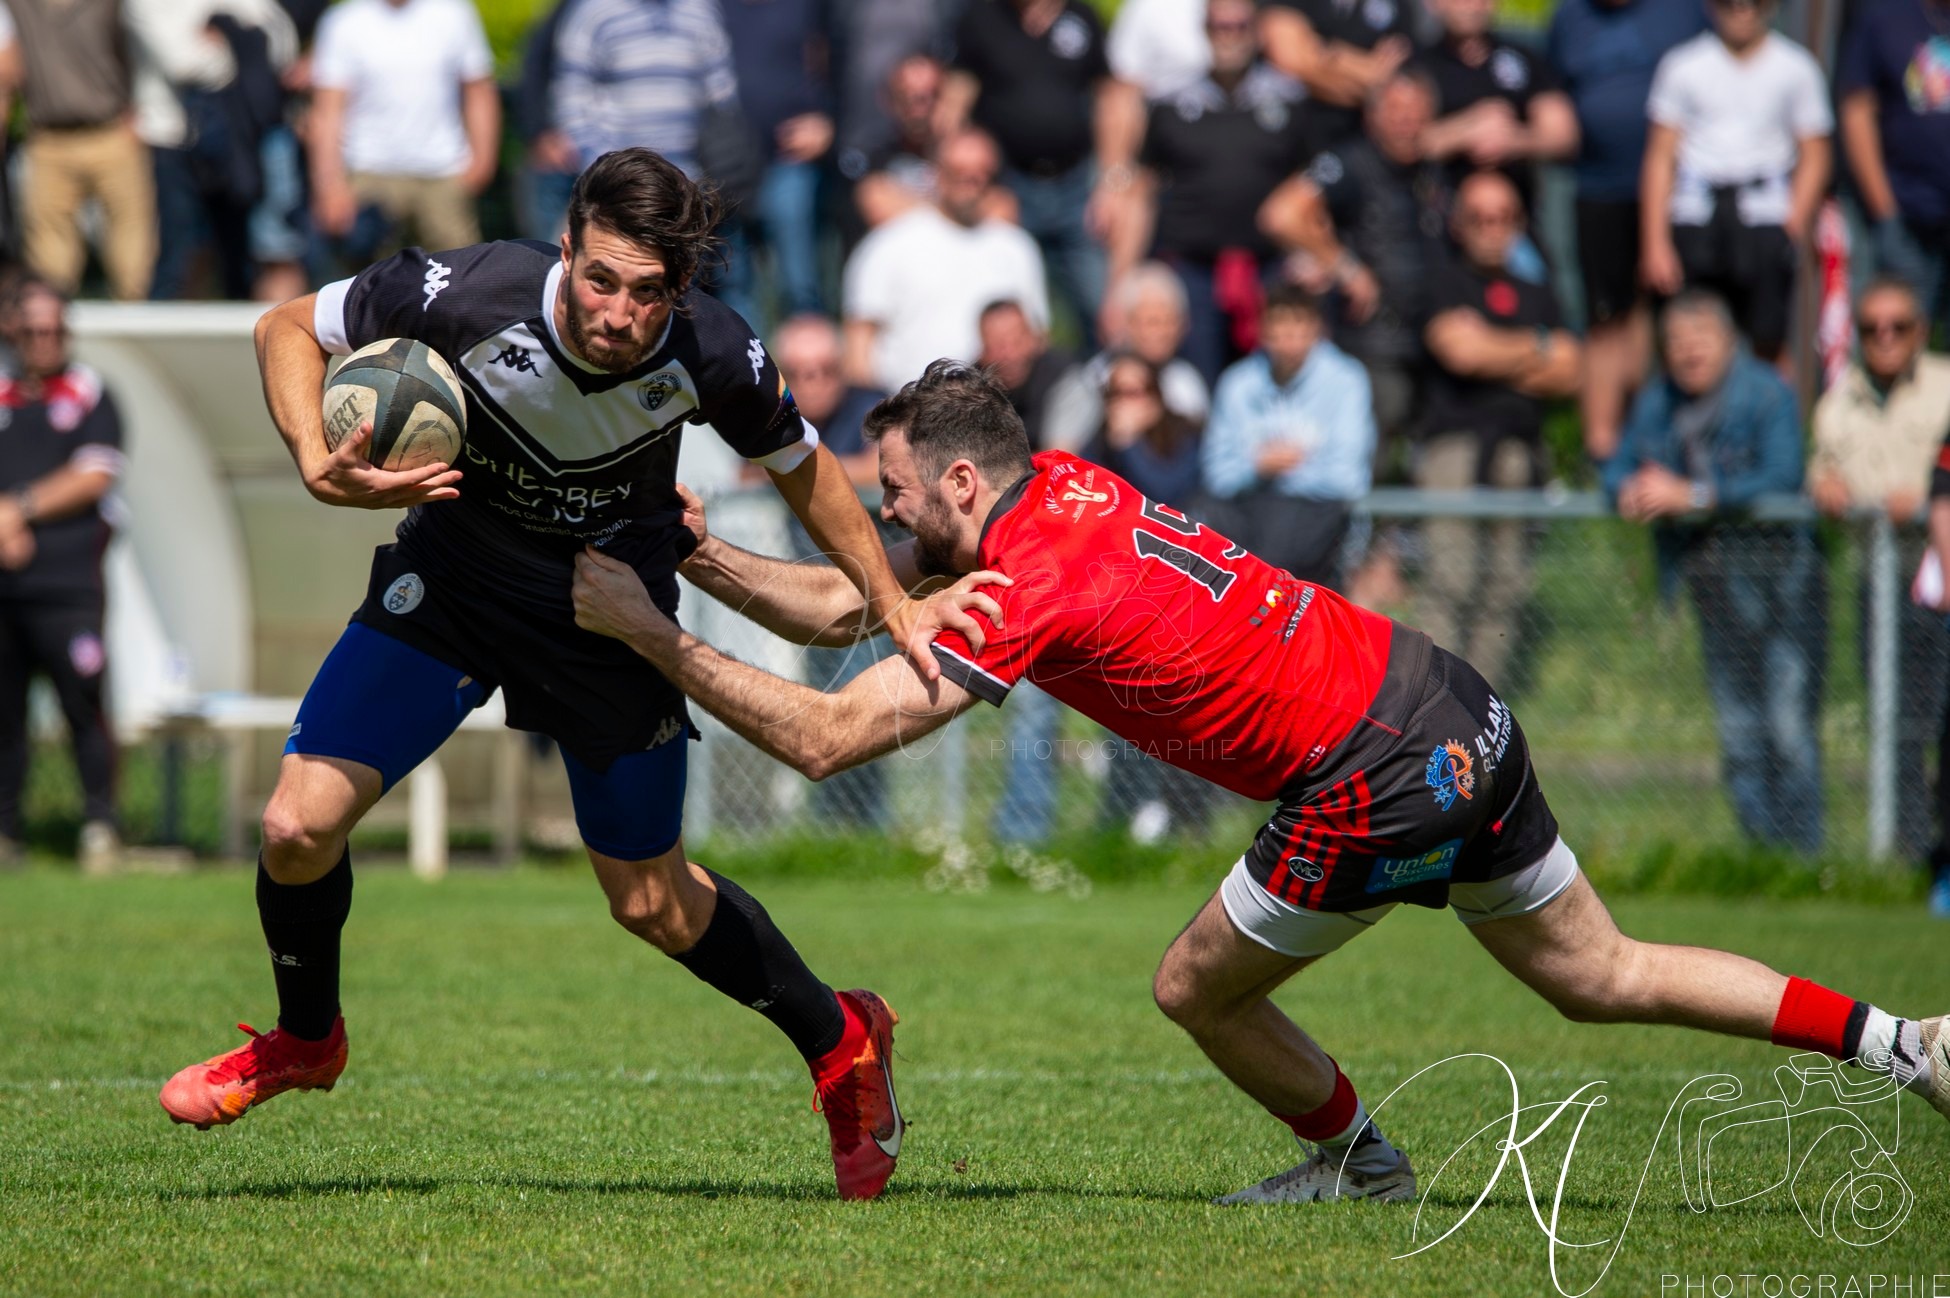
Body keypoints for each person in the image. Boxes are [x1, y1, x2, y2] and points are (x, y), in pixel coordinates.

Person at [569, 357, 1950, 1206]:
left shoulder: (1028, 581)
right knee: (1597, 971)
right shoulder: (1065, 491)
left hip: (1372, 770)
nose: (883, 520)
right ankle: (1910, 1041)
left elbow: (824, 734)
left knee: (1191, 985)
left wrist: (646, 633)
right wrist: (700, 559)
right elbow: (861, 602)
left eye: (895, 496)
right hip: (1447, 692)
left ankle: (1359, 1163)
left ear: (966, 484)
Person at [156, 149, 979, 1203]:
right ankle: (305, 1037)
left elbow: (805, 466)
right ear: (567, 247)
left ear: (677, 290)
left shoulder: (712, 349)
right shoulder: (466, 291)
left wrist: (895, 599)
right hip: (451, 587)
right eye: (601, 277)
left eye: (647, 291)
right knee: (294, 825)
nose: (619, 311)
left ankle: (840, 1035)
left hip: (604, 617)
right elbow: (286, 325)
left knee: (651, 903)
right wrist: (316, 451)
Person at [1605, 290, 1825, 853]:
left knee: (1789, 729)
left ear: (1729, 342)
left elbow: (1783, 476)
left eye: (1700, 338)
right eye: (1675, 341)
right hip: (1713, 587)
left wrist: (1694, 494)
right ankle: (1762, 857)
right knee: (1739, 733)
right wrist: (1628, 488)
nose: (1687, 352)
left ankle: (1807, 862)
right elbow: (1617, 467)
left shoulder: (1766, 393)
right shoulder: (1658, 400)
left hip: (1781, 583)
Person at [1416, 171, 1582, 687]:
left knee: (1506, 587)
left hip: (1520, 452)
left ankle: (1480, 715)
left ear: (1519, 223)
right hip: (1455, 453)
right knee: (1450, 581)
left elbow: (1573, 369)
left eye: (1503, 217)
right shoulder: (1441, 281)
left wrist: (1492, 344)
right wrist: (1534, 346)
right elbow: (1458, 352)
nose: (1492, 228)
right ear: (1459, 224)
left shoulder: (1539, 290)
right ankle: (1427, 709)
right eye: (1479, 218)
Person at [1810, 277, 1950, 871]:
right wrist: (1823, 487)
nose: (1884, 339)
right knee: (1897, 723)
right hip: (1881, 584)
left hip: (1940, 579)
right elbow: (1822, 470)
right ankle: (1913, 853)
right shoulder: (1839, 401)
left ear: (1919, 331)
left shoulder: (1945, 387)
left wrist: (1921, 500)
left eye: (1897, 327)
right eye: (1870, 329)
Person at [1258, 70, 1452, 476]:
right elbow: (1282, 214)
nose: (1407, 121)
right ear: (1372, 116)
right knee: (1371, 460)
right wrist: (1345, 267)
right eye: (1396, 111)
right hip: (1372, 345)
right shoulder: (1349, 163)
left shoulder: (1432, 169)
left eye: (1417, 112)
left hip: (1431, 345)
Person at [1109, 0, 1313, 385]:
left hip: (1268, 268)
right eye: (1221, 27)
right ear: (1205, 30)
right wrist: (1120, 282)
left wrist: (1311, 252)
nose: (1230, 36)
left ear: (1255, 30)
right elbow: (1142, 192)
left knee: (1272, 383)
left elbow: (1307, 182)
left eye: (1239, 26)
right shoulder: (1171, 102)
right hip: (1192, 269)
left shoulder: (1289, 99)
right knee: (1196, 382)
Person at [1546, 0, 1707, 461]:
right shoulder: (1569, 18)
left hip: (1679, 192)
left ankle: (1665, 443)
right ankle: (1602, 450)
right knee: (1604, 319)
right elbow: (1555, 91)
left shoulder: (1684, 12)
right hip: (1598, 190)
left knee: (1667, 320)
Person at [0, 279, 125, 873]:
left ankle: (100, 826)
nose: (44, 340)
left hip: (71, 590)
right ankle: (6, 833)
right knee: (6, 718)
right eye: (32, 329)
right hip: (6, 592)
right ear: (13, 330)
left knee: (86, 706)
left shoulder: (91, 394)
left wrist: (17, 509)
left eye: (54, 329)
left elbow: (94, 475)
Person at [1639, 0, 1831, 364]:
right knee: (1687, 338)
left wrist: (1792, 224)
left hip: (1764, 217)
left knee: (1768, 340)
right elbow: (1660, 157)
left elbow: (1815, 153)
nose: (1742, 9)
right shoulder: (1682, 65)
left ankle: (1770, 420)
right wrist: (1655, 242)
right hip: (1696, 216)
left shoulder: (1796, 67)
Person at [1082, 352, 1214, 841]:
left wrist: (1130, 443)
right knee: (1120, 715)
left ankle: (1187, 822)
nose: (1126, 404)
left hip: (1177, 598)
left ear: (1157, 398)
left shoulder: (1184, 437)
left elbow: (1163, 494)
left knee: (1181, 716)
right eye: (1116, 394)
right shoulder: (1101, 443)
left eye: (1137, 392)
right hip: (1118, 601)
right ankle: (1118, 818)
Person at [944, 0, 1128, 339]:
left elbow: (1111, 98)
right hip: (1011, 187)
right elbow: (955, 108)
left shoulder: (1081, 17)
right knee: (1010, 311)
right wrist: (980, 188)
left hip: (1078, 187)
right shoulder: (981, 18)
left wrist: (1112, 182)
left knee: (1101, 310)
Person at [773, 314, 893, 829]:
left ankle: (863, 825)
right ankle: (832, 825)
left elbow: (887, 462)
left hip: (872, 597)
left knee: (865, 711)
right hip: (797, 593)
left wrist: (790, 466)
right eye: (798, 372)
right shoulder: (767, 410)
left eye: (824, 369)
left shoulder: (873, 407)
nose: (812, 382)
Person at [842, 128, 1048, 393]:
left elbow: (1036, 338)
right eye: (958, 171)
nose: (971, 181)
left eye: (982, 173)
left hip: (995, 409)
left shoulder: (1017, 248)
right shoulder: (889, 244)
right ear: (936, 172)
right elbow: (859, 346)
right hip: (911, 407)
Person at [1201, 285, 1374, 586]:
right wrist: (1258, 467)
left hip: (1316, 518)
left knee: (1277, 540)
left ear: (1317, 328)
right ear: (1263, 330)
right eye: (1279, 327)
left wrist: (1280, 470)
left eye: (1297, 326)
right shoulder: (1237, 382)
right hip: (1247, 511)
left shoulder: (1347, 380)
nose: (1287, 339)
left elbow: (1347, 479)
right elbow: (1217, 474)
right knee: (1202, 517)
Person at [309, 0, 499, 268]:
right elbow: (328, 110)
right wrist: (330, 185)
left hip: (442, 172)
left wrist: (482, 160)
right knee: (366, 285)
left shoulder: (454, 13)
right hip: (368, 172)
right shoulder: (344, 21)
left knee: (458, 279)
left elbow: (478, 90)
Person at [1412, 0, 1580, 264]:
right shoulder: (1419, 65)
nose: (1471, 5)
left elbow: (1564, 134)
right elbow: (1404, 142)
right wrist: (1467, 128)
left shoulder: (1520, 59)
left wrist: (1515, 140)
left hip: (1516, 229)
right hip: (1441, 229)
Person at [9, 0, 156, 300]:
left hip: (111, 129)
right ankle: (50, 338)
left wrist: (140, 109)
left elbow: (143, 46)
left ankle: (136, 327)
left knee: (133, 255)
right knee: (49, 261)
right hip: (48, 138)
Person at [1836, 0, 1950, 331]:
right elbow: (1857, 111)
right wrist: (1885, 211)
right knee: (1894, 336)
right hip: (1906, 216)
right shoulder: (1885, 16)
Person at [721, 0, 837, 322]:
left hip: (789, 160)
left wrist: (828, 119)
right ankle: (744, 369)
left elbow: (841, 61)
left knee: (799, 284)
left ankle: (808, 366)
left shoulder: (807, 7)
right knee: (732, 286)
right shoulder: (706, 6)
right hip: (724, 164)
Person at [1045, 261, 1210, 453]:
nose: (1161, 333)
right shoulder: (1092, 380)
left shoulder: (1186, 383)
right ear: (1127, 323)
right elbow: (1060, 454)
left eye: (1170, 322)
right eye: (1151, 322)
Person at [1256, 0, 1412, 158]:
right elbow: (1291, 62)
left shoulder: (1396, 7)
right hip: (1290, 137)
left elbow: (1395, 82)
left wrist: (1328, 57)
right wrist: (1362, 70)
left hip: (1366, 147)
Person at [977, 300, 1077, 453]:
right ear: (982, 351)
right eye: (999, 346)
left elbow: (1059, 459)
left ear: (1035, 339)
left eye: (1017, 341)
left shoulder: (1066, 378)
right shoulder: (970, 388)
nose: (1009, 354)